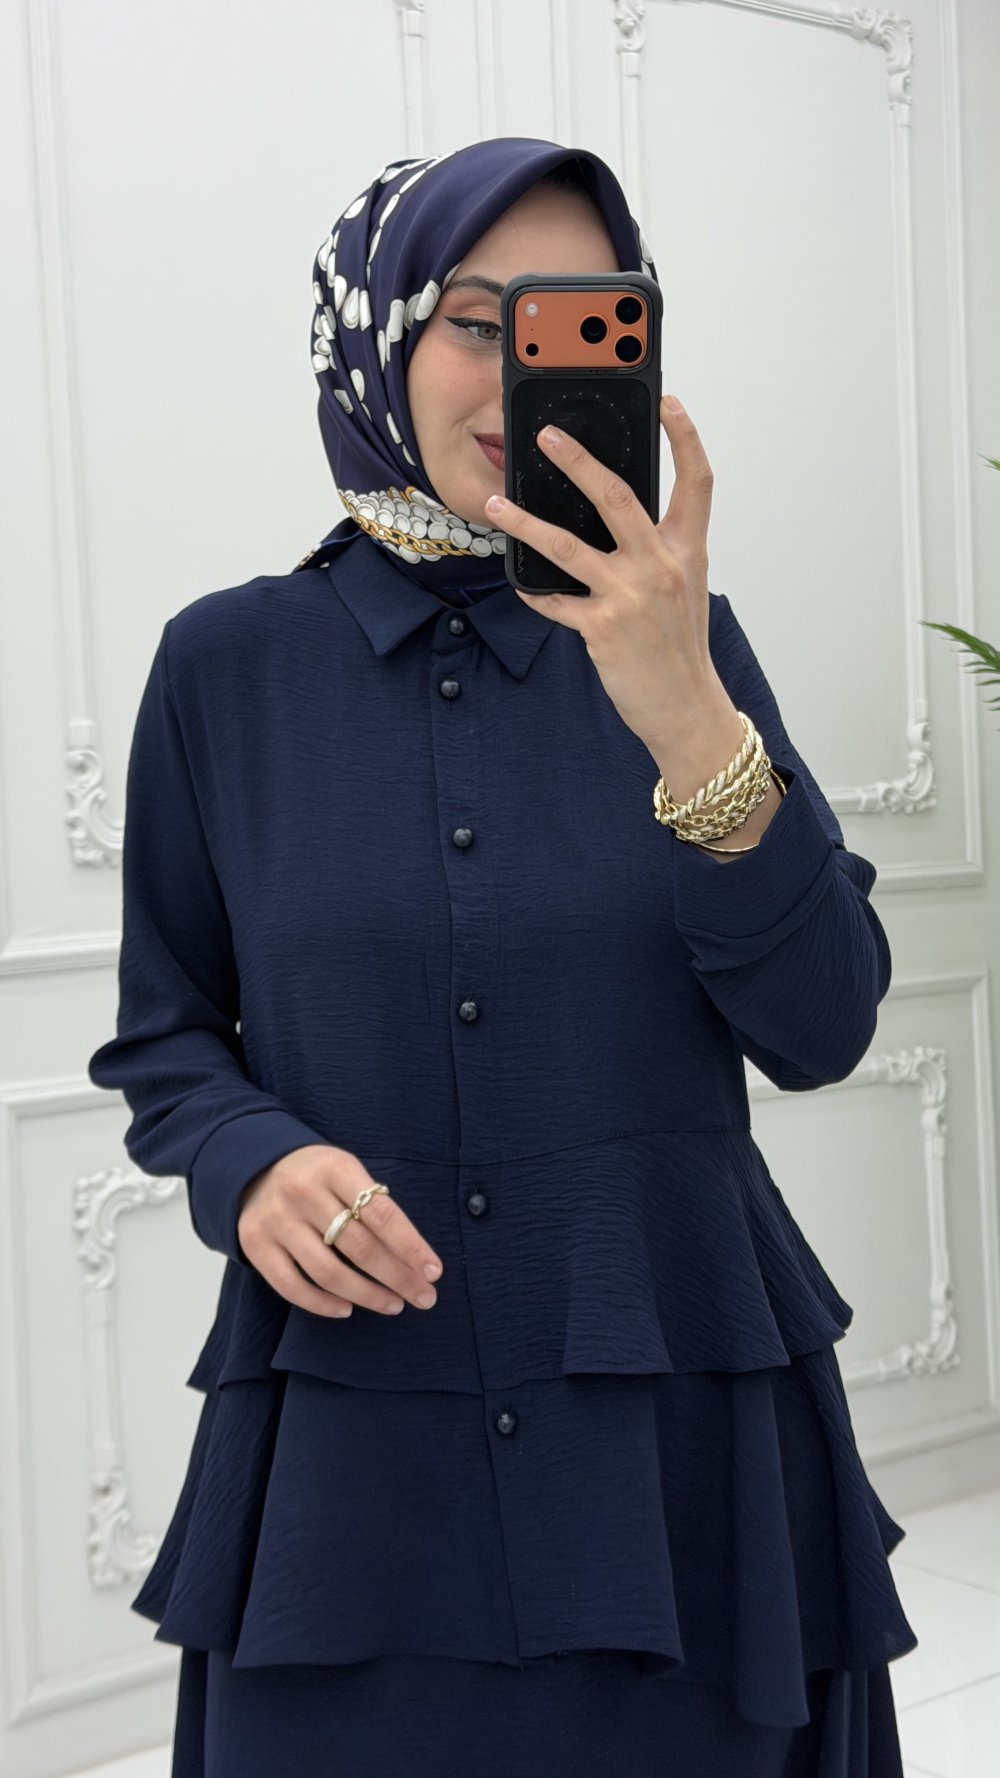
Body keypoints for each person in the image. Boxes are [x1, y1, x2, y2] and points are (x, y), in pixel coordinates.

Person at [87, 136, 919, 1777]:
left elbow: (824, 1023)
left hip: (677, 1447)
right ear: (378, 332)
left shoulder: (687, 643)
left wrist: (691, 721)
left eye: (593, 319)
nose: (523, 374)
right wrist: (252, 1162)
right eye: (482, 318)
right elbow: (166, 1036)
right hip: (351, 1463)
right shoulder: (223, 669)